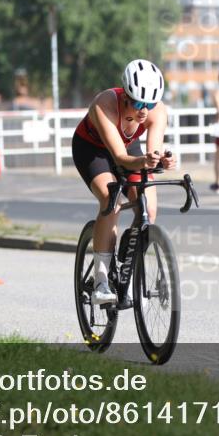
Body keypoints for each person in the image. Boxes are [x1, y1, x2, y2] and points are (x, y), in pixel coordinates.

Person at [72, 59, 175, 306]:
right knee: (112, 200)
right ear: (126, 96)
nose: (144, 110)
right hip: (93, 150)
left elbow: (152, 153)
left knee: (148, 209)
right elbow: (120, 158)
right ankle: (101, 280)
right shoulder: (104, 104)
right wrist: (143, 161)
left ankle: (128, 268)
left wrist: (159, 161)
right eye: (139, 103)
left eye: (149, 104)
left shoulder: (157, 111)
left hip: (130, 150)